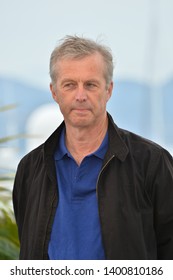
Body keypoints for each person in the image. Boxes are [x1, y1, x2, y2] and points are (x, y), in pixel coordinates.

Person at [13, 35, 173, 260]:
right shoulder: (30, 169)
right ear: (54, 92)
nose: (80, 96)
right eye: (69, 85)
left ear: (108, 90)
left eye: (90, 84)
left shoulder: (152, 162)